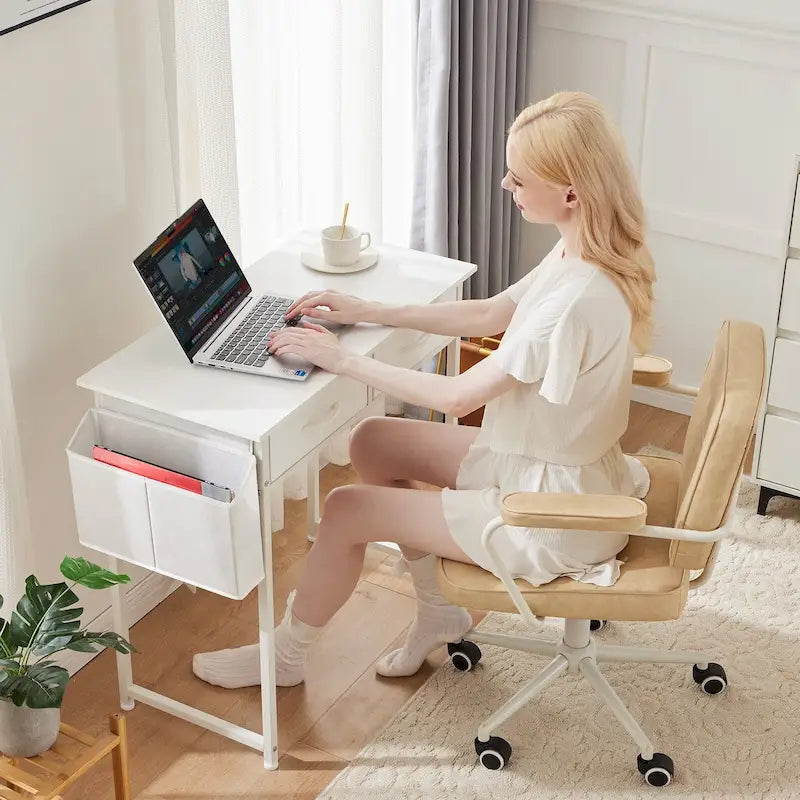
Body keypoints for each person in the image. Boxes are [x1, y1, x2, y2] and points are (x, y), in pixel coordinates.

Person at [191, 91, 656, 690]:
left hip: (545, 512)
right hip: (550, 469)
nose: (506, 184)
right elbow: (491, 312)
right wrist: (370, 309)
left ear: (569, 191)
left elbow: (460, 398)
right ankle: (440, 611)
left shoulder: (573, 299)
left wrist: (337, 359)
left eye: (518, 177)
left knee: (345, 509)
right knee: (374, 442)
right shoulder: (584, 248)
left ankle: (285, 656)